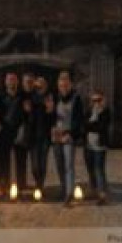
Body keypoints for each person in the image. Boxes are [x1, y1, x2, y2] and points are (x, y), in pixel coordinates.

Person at [51, 70, 84, 203]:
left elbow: (79, 119)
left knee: (68, 165)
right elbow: (52, 116)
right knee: (60, 165)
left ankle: (69, 193)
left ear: (70, 84)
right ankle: (64, 189)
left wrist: (71, 134)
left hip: (68, 136)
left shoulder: (76, 99)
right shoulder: (56, 98)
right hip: (57, 136)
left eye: (66, 84)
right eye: (61, 84)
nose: (63, 87)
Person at [0, 71, 22, 192]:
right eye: (9, 79)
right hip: (2, 133)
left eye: (14, 79)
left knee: (20, 161)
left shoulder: (22, 96)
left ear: (17, 82)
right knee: (2, 160)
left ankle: (19, 185)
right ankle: (2, 184)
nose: (11, 82)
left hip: (17, 132)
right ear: (5, 82)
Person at [84, 90, 112, 204]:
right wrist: (92, 125)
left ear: (103, 100)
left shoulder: (106, 112)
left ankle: (102, 194)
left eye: (98, 100)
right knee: (90, 169)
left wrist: (91, 125)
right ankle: (93, 190)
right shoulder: (89, 112)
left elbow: (102, 127)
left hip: (100, 146)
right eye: (93, 100)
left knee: (99, 169)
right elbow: (84, 126)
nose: (96, 103)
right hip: (88, 145)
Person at [31, 77, 54, 196]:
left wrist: (50, 111)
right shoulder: (32, 97)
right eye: (38, 85)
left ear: (46, 86)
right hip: (34, 136)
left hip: (45, 136)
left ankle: (40, 185)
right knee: (35, 165)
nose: (40, 87)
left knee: (43, 163)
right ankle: (37, 182)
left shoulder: (49, 98)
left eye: (42, 85)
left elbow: (53, 118)